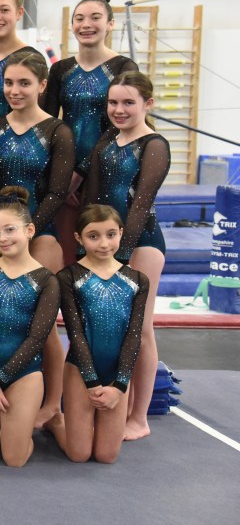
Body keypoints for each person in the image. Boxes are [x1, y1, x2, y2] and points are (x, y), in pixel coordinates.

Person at [0, 49, 74, 428]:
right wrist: (3, 230)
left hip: (39, 231)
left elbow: (57, 191)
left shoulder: (57, 131)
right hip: (1, 233)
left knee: (43, 326)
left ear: (42, 85)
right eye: (8, 83)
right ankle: (1, 392)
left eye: (24, 83)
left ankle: (52, 404)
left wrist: (26, 229)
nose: (15, 90)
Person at [82, 71, 169, 441]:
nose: (119, 109)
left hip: (141, 242)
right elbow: (94, 197)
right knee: (109, 329)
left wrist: (121, 256)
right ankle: (114, 407)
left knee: (141, 329)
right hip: (105, 243)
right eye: (113, 102)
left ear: (147, 104)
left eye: (128, 102)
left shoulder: (154, 145)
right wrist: (89, 247)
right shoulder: (107, 140)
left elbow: (140, 205)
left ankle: (139, 417)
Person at [43, 0, 139, 266]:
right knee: (68, 249)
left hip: (110, 168)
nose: (86, 24)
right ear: (72, 24)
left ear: (110, 24)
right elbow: (48, 124)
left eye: (95, 18)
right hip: (66, 171)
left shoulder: (123, 66)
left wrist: (81, 171)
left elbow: (122, 125)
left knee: (103, 249)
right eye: (79, 18)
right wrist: (61, 173)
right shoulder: (60, 70)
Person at [0, 187, 60, 467]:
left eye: (9, 230)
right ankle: (8, 428)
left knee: (14, 459)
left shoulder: (46, 281)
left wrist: (1, 379)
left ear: (29, 230)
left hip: (24, 374)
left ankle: (25, 432)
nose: (2, 239)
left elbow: (36, 338)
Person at [49, 205, 148, 463]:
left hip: (117, 373)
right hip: (80, 370)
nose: (104, 244)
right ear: (79, 238)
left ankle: (86, 426)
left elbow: (134, 336)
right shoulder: (68, 277)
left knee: (106, 456)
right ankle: (57, 422)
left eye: (111, 235)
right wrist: (92, 383)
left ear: (121, 233)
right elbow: (75, 333)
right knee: (79, 454)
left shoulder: (137, 280)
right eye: (93, 236)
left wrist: (120, 385)